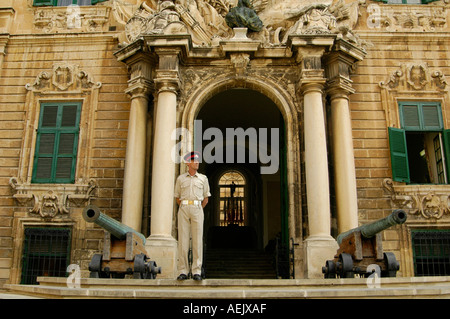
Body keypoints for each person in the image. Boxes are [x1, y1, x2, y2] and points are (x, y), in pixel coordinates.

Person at [174, 151, 211, 280]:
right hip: (184, 207)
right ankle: (183, 271)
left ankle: (196, 271)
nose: (197, 162)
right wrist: (185, 206)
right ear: (188, 163)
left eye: (198, 160)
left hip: (197, 207)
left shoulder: (203, 178)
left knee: (197, 240)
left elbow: (206, 198)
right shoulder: (180, 179)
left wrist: (197, 208)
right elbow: (177, 197)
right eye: (194, 160)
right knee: (183, 241)